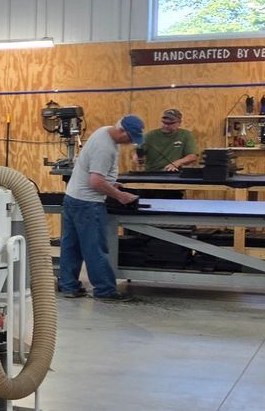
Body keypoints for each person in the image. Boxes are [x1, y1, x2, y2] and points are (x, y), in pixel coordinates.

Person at [58, 115, 142, 301]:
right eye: (130, 138)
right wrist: (120, 195)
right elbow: (96, 182)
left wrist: (111, 184)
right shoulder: (105, 148)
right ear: (122, 131)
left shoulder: (104, 131)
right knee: (95, 248)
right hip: (88, 203)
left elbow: (96, 174)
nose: (130, 143)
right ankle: (105, 290)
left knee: (72, 247)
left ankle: (69, 286)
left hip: (72, 198)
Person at [138, 108, 200, 172]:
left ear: (179, 123)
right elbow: (138, 153)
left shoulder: (186, 135)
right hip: (152, 173)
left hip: (175, 173)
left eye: (171, 123)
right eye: (164, 122)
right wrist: (137, 158)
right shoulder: (150, 135)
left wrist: (177, 163)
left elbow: (192, 156)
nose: (166, 126)